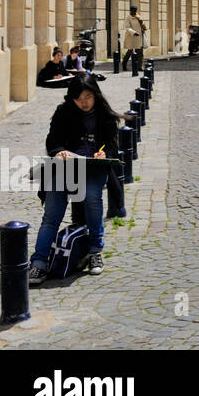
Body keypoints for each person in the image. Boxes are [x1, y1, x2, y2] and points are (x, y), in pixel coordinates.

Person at [29, 77, 125, 283]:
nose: (84, 102)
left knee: (92, 198)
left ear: (95, 95)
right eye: (79, 98)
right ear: (71, 99)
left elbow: (111, 145)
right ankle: (38, 262)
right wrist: (60, 151)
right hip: (65, 168)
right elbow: (52, 141)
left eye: (88, 97)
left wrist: (104, 153)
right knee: (52, 214)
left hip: (93, 168)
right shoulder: (63, 112)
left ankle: (94, 252)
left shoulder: (104, 115)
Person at [122, 6, 145, 72]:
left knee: (140, 52)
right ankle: (124, 64)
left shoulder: (138, 17)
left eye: (135, 11)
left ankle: (139, 67)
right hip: (131, 37)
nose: (134, 12)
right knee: (130, 51)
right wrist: (134, 32)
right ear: (130, 11)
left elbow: (143, 25)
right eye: (133, 11)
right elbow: (127, 27)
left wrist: (142, 24)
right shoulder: (128, 18)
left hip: (139, 36)